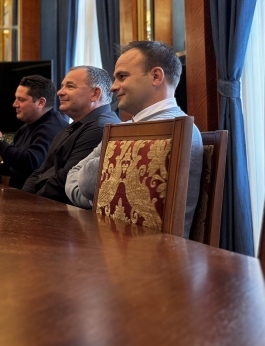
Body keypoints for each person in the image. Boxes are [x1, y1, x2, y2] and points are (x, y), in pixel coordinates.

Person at [65, 41, 203, 238]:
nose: (113, 87)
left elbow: (85, 181)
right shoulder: (128, 129)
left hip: (145, 251)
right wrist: (99, 198)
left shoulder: (153, 132)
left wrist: (98, 196)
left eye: (122, 76)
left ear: (156, 76)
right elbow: (74, 175)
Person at [21, 66, 119, 203]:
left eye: (70, 86)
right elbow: (41, 171)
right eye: (62, 86)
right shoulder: (74, 126)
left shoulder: (100, 128)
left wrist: (29, 203)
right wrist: (24, 198)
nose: (60, 92)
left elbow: (64, 182)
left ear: (95, 94)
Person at [0, 75, 68, 189]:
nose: (15, 104)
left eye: (21, 99)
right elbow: (17, 169)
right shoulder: (25, 128)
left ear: (41, 103)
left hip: (36, 199)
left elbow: (31, 164)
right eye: (16, 98)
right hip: (20, 196)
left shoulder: (53, 128)